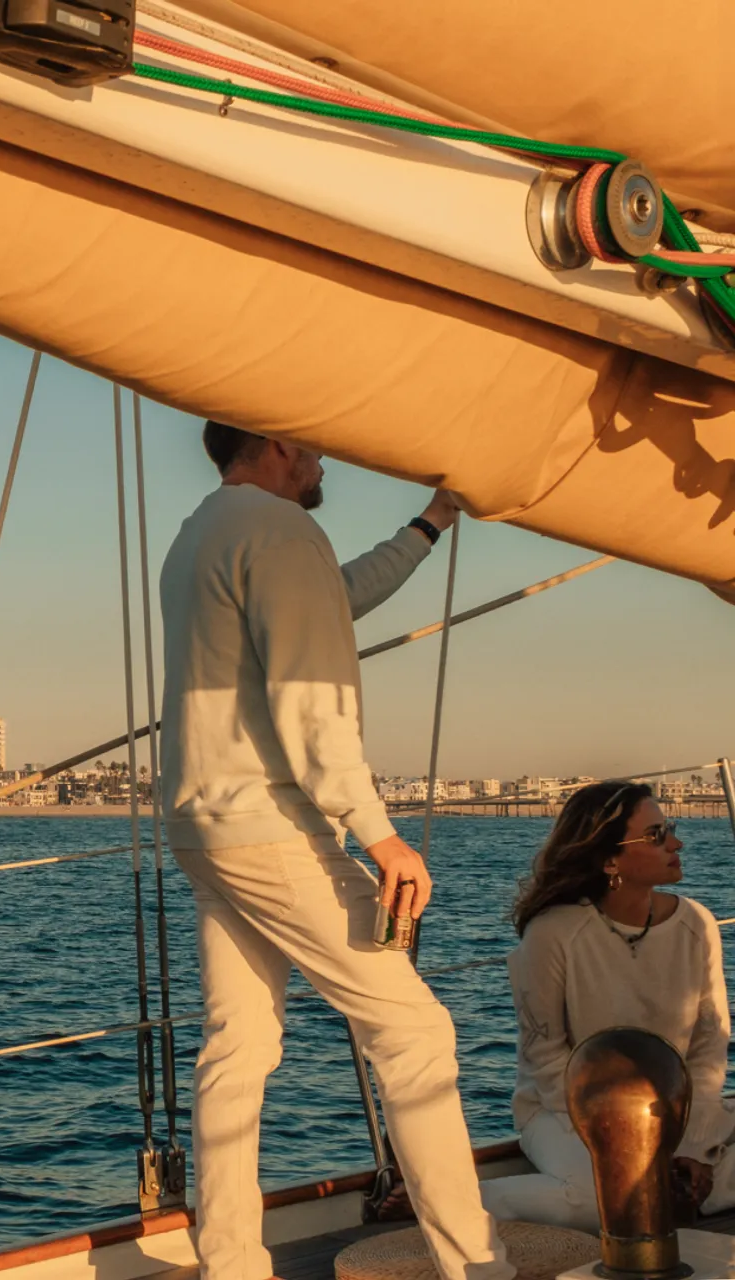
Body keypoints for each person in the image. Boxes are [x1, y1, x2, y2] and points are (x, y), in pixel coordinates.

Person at [159, 421, 511, 1280]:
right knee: (414, 1032)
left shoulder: (202, 530)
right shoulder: (282, 531)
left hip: (203, 827)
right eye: (313, 447)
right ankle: (478, 1267)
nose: (326, 462)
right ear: (277, 444)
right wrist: (378, 832)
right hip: (270, 825)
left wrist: (428, 526)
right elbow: (309, 701)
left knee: (237, 1050)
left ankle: (232, 1265)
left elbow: (336, 597)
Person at [480, 781, 735, 1229]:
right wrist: (631, 1141)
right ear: (610, 859)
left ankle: (674, 1186)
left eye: (668, 828)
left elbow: (708, 1050)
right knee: (607, 1201)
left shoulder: (697, 925)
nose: (676, 842)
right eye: (656, 835)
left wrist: (695, 1145)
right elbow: (545, 1061)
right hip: (563, 1113)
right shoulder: (553, 934)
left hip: (672, 1111)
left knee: (652, 1190)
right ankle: (465, 1201)